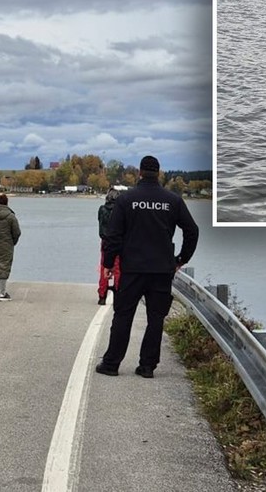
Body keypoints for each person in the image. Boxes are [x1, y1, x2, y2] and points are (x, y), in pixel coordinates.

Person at [96, 155, 199, 379]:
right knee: (155, 318)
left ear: (140, 173)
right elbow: (192, 231)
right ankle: (147, 366)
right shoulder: (173, 200)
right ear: (159, 173)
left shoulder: (126, 200)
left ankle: (112, 363)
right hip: (162, 269)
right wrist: (181, 259)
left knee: (123, 315)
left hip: (132, 268)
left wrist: (108, 264)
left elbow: (113, 236)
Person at [96, 190, 121, 306]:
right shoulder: (120, 211)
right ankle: (118, 295)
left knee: (104, 268)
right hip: (118, 242)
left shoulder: (102, 209)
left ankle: (102, 295)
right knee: (118, 270)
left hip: (105, 242)